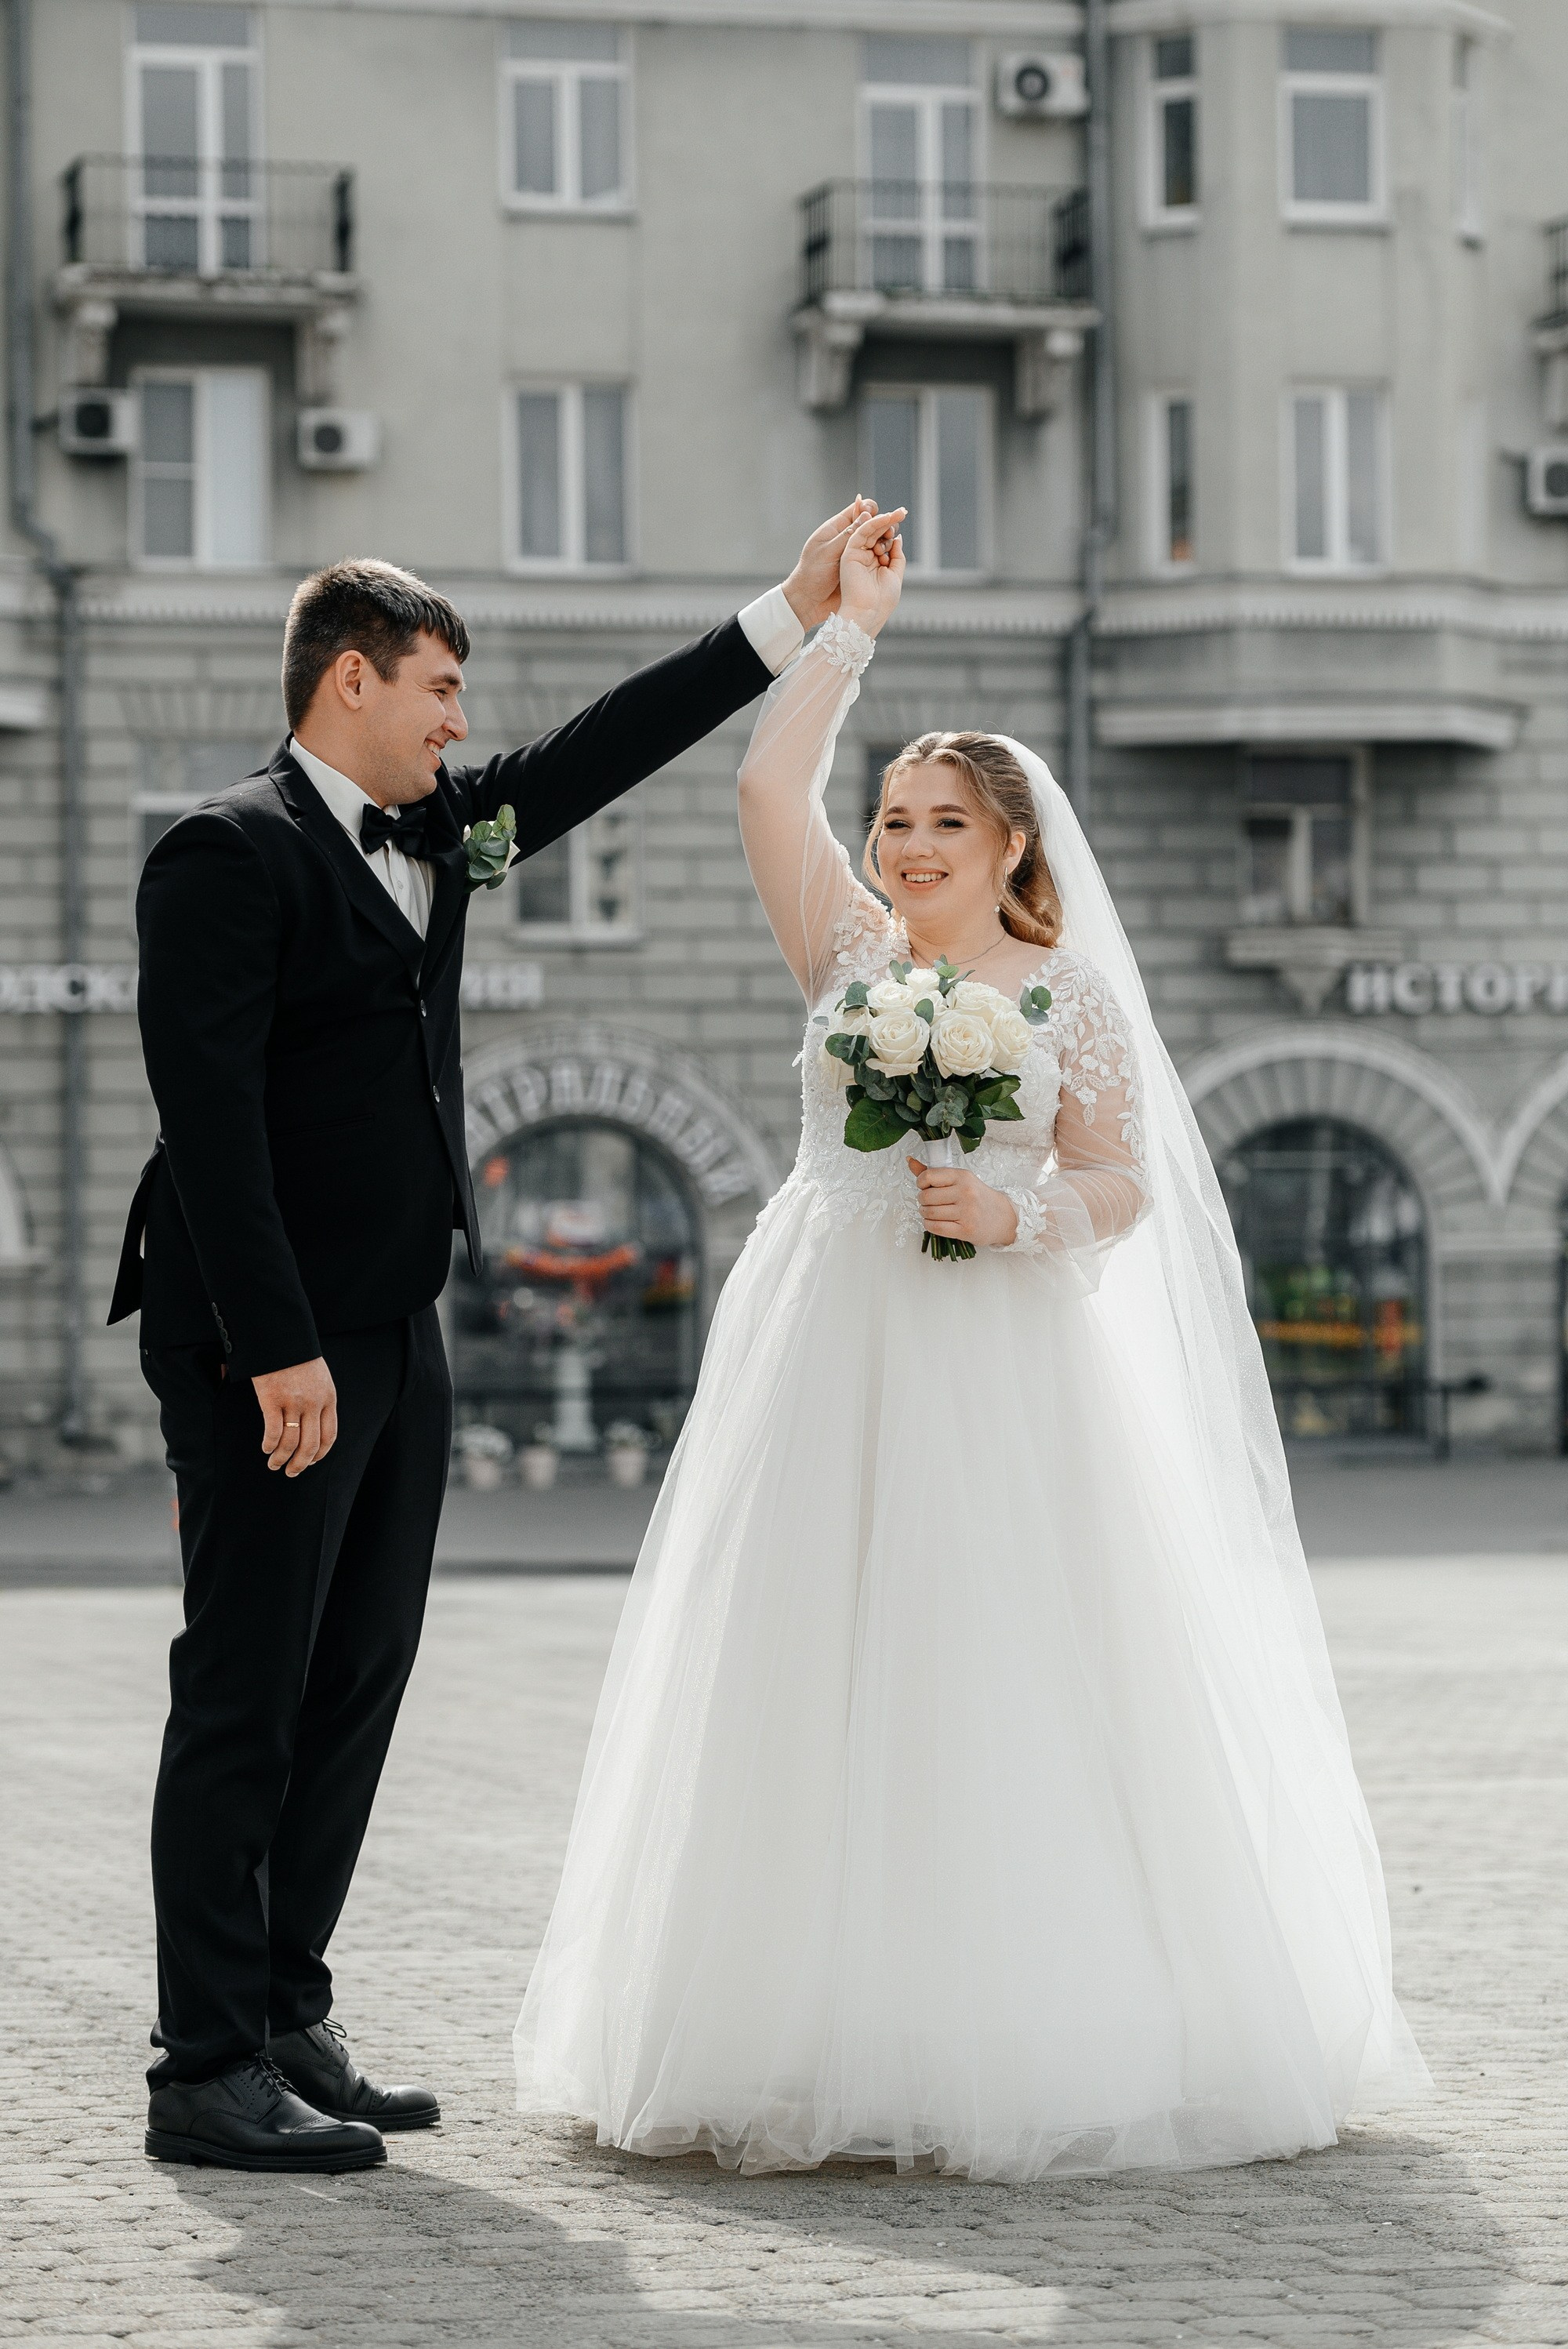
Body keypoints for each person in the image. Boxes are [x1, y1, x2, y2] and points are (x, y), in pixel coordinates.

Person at [514, 509, 1429, 2180]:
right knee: (803, 1659)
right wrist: (846, 633)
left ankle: (1013, 2021)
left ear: (1013, 846)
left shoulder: (1069, 992)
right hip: (825, 1341)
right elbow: (764, 788)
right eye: (895, 817)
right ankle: (794, 2026)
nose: (910, 841)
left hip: (1001, 1357)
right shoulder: (846, 948)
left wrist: (1014, 1216)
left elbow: (1121, 1180)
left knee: (995, 1661)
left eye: (945, 820)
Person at [110, 508, 872, 2173]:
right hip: (269, 1345)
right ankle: (201, 2065)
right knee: (246, 1688)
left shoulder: (441, 832)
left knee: (358, 1675)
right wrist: (278, 1347)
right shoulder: (222, 854)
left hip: (399, 1320)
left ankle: (284, 2009)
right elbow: (210, 1125)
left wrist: (792, 610)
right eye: (440, 689)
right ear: (352, 680)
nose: (461, 720)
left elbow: (600, 752)